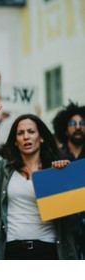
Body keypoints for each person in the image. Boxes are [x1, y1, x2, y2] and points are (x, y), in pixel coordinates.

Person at [0, 102, 77, 259]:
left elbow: (74, 213)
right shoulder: (1, 170)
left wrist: (66, 176)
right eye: (20, 133)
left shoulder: (54, 171)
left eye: (31, 132)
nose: (26, 136)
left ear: (41, 137)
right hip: (11, 252)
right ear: (15, 141)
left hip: (49, 251)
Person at [52, 101, 85, 259]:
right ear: (65, 129)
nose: (78, 127)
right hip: (66, 231)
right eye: (73, 123)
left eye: (82, 123)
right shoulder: (56, 157)